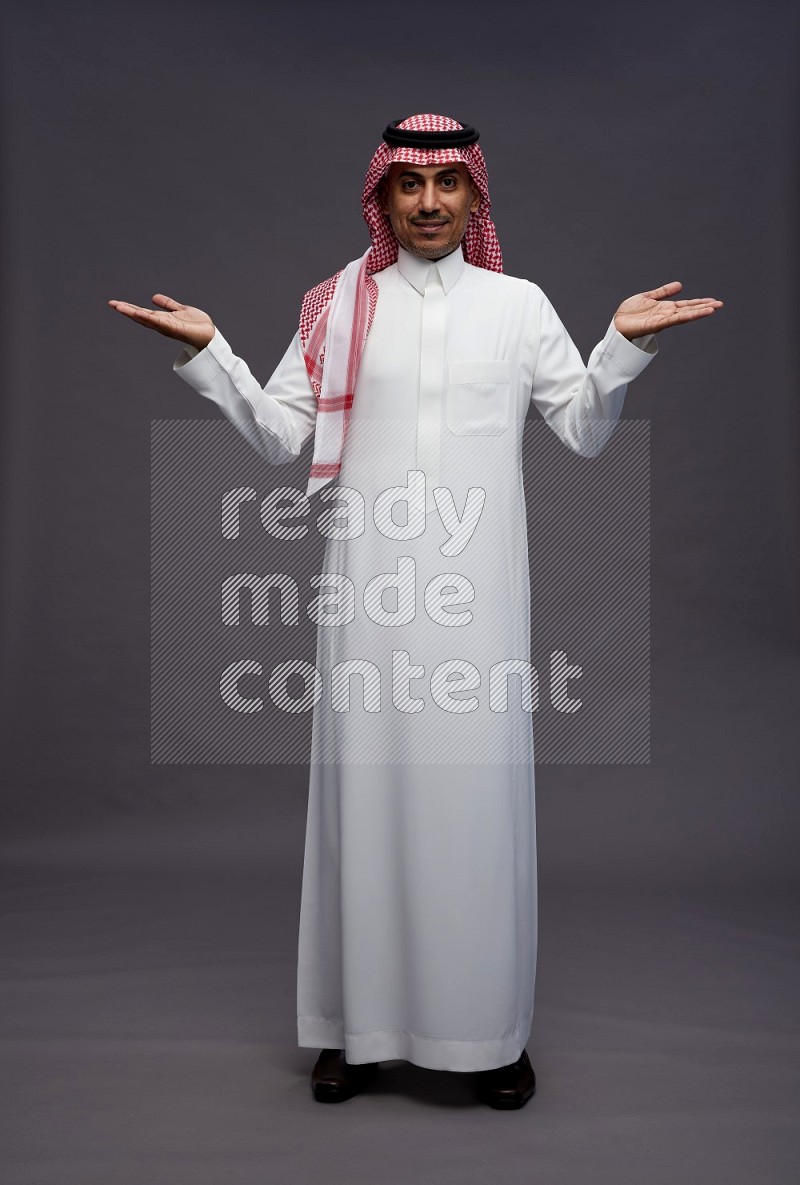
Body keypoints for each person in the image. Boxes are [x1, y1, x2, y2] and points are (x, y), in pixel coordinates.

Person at [108, 113, 722, 1109]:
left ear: (476, 198)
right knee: (364, 804)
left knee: (473, 812)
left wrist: (618, 345)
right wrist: (211, 353)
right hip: (366, 600)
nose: (429, 202)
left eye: (448, 185)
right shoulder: (337, 308)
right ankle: (356, 1031)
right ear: (382, 195)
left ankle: (488, 1037)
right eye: (410, 185)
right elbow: (278, 438)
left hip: (479, 603)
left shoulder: (517, 306)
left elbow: (579, 428)